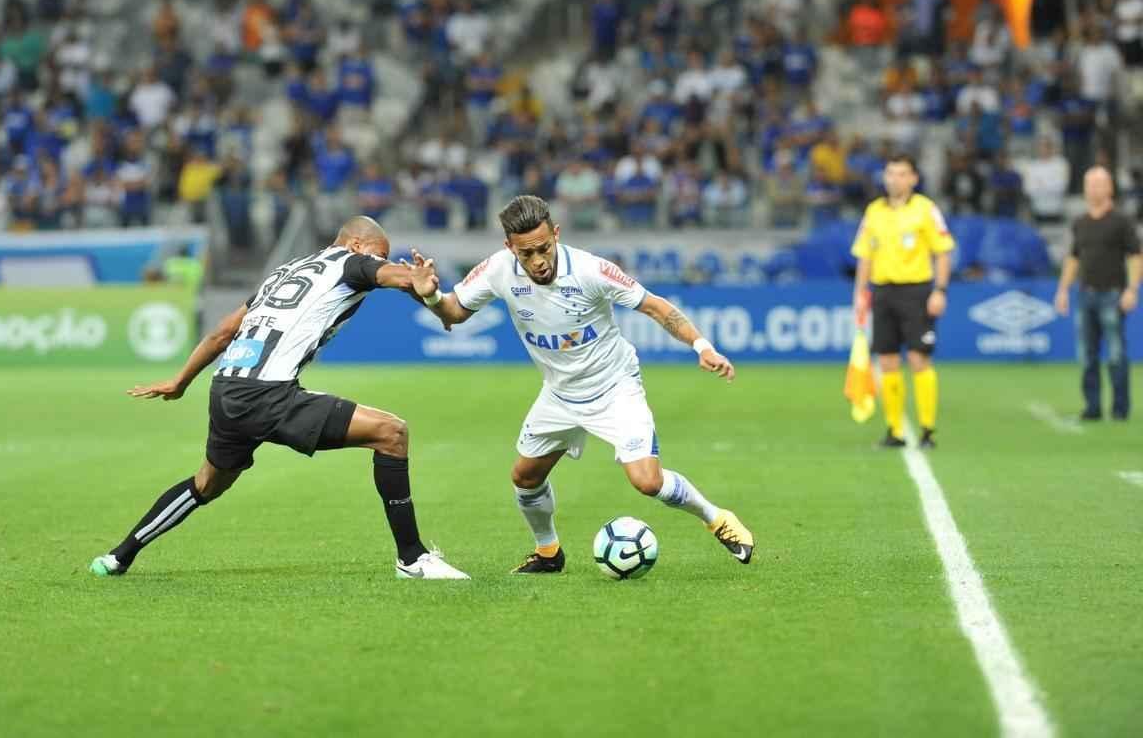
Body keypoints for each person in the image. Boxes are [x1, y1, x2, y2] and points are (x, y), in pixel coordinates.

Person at [89, 216, 470, 580]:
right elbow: (397, 277)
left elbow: (222, 333)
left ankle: (118, 556)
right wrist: (423, 285)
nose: (379, 261)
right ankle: (413, 558)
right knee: (392, 433)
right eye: (377, 253)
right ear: (356, 244)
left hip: (226, 389)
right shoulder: (351, 262)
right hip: (267, 394)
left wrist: (181, 381)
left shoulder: (287, 271)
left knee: (206, 484)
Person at [410, 195, 753, 574]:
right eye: (527, 254)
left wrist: (701, 346)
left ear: (556, 234)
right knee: (525, 477)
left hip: (614, 388)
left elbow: (656, 306)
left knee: (646, 480)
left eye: (544, 248)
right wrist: (430, 295)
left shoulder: (592, 270)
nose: (538, 260)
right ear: (510, 247)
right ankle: (548, 553)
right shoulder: (498, 270)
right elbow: (455, 312)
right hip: (559, 395)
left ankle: (717, 518)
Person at [852, 155, 954, 449]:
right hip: (883, 292)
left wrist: (941, 290)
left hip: (917, 291)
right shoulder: (874, 211)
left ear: (913, 179)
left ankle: (927, 430)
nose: (894, 179)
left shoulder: (925, 209)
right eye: (890, 173)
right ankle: (894, 430)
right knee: (887, 360)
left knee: (919, 358)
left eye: (901, 174)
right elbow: (864, 255)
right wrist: (860, 294)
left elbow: (943, 252)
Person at [1053, 167, 1142, 421]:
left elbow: (1136, 257)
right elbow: (1073, 258)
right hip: (1085, 294)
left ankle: (1119, 409)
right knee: (1087, 355)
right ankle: (1092, 408)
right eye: (1089, 184)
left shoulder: (1121, 221)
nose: (1093, 189)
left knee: (1116, 354)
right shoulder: (1080, 222)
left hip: (1112, 294)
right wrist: (1062, 290)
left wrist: (1132, 289)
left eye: (1098, 183)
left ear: (1109, 188)